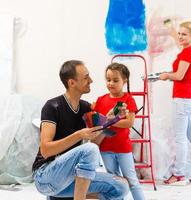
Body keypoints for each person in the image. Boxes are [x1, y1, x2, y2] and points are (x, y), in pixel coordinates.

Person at [32, 60, 129, 200]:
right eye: (86, 77)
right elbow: (46, 150)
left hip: (70, 177)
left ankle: (64, 196)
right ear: (72, 83)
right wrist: (78, 135)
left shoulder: (86, 108)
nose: (91, 80)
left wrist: (108, 122)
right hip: (45, 176)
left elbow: (94, 147)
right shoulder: (53, 106)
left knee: (121, 186)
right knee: (88, 149)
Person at [159, 21, 191, 185]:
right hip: (190, 99)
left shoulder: (187, 52)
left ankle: (178, 175)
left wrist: (166, 75)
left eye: (184, 34)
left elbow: (179, 76)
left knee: (180, 138)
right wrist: (171, 27)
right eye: (179, 34)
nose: (180, 37)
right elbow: (179, 38)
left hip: (182, 99)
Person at [93, 63, 146, 200]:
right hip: (105, 148)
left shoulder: (128, 99)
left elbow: (129, 122)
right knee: (114, 181)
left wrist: (110, 121)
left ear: (124, 81)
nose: (111, 83)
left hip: (123, 148)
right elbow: (99, 124)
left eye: (115, 80)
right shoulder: (101, 100)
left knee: (132, 181)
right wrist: (111, 121)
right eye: (108, 79)